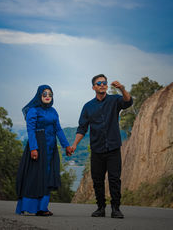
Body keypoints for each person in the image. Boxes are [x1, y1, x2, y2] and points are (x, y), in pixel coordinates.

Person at [71, 74, 133, 218]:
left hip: (113, 148)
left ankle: (116, 209)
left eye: (104, 83)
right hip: (97, 149)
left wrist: (122, 89)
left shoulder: (114, 100)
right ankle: (100, 208)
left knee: (114, 179)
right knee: (97, 180)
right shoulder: (88, 107)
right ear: (93, 87)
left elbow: (128, 102)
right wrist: (74, 144)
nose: (102, 85)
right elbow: (82, 128)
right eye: (99, 83)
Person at [16, 84, 72, 216]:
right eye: (44, 94)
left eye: (50, 94)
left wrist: (66, 146)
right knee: (35, 177)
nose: (47, 97)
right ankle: (28, 206)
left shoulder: (53, 111)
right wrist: (33, 149)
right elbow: (30, 130)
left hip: (51, 148)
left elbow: (58, 129)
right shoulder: (33, 111)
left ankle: (42, 208)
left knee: (48, 176)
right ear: (39, 95)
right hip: (38, 147)